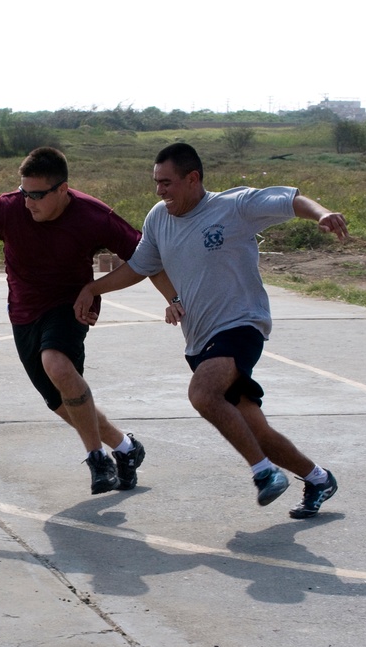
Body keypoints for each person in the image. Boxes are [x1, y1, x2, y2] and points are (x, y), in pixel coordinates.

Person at [74, 142, 348, 518]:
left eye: (167, 182)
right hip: (200, 339)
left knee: (203, 393)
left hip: (242, 324)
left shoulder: (233, 206)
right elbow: (139, 266)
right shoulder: (159, 218)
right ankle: (318, 478)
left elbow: (290, 199)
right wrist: (93, 287)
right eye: (157, 182)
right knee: (257, 432)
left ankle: (264, 474)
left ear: (193, 179)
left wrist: (322, 213)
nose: (160, 191)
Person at [0, 147, 178, 495]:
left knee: (57, 365)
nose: (29, 201)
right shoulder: (8, 207)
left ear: (63, 190)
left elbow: (144, 257)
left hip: (69, 306)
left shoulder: (93, 215)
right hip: (23, 314)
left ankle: (96, 459)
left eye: (38, 195)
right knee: (61, 401)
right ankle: (125, 448)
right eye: (24, 192)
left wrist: (173, 299)